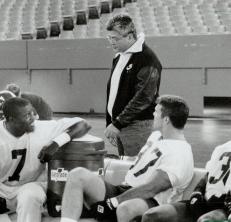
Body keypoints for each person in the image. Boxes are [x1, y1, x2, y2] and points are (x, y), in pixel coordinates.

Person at [60, 95, 194, 222]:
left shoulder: (179, 152)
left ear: (166, 119)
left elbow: (151, 188)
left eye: (157, 112)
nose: (153, 115)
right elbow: (142, 162)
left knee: (127, 208)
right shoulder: (157, 136)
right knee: (77, 175)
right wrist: (117, 158)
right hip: (126, 189)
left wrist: (115, 201)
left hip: (152, 201)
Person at [104, 15, 162, 157]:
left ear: (130, 36)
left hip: (138, 127)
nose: (111, 42)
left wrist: (117, 124)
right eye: (109, 38)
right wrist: (111, 123)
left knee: (136, 171)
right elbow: (113, 93)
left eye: (115, 39)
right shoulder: (120, 56)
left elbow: (144, 97)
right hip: (121, 125)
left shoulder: (147, 58)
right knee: (126, 170)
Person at [142, 140, 231, 222]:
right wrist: (196, 194)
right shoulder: (221, 148)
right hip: (203, 202)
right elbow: (207, 176)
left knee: (206, 220)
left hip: (224, 207)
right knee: (151, 216)